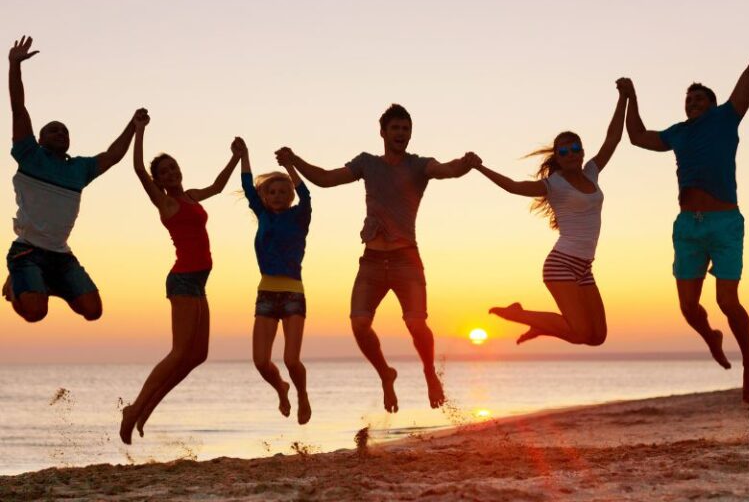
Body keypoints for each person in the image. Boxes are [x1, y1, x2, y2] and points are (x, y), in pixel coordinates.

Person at [276, 103, 479, 413]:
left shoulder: (419, 165)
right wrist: (295, 161)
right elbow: (327, 179)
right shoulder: (367, 164)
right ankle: (386, 374)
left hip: (405, 260)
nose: (401, 134)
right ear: (382, 132)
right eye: (395, 128)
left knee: (416, 324)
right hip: (371, 261)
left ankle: (428, 372)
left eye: (406, 129)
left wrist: (464, 164)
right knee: (359, 324)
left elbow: (447, 169)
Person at [624, 35, 749, 403]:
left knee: (727, 301)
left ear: (712, 103)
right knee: (688, 307)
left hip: (724, 224)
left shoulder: (727, 117)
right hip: (688, 227)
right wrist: (630, 97)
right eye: (688, 99)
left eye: (698, 97)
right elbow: (638, 137)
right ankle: (711, 337)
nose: (692, 102)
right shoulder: (678, 133)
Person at [119, 111, 242, 444]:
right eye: (164, 171)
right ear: (160, 180)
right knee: (179, 352)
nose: (170, 173)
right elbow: (138, 170)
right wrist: (139, 129)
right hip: (183, 280)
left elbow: (217, 186)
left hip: (198, 283)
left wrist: (236, 157)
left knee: (198, 355)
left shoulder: (191, 196)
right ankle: (133, 411)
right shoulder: (166, 202)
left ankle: (146, 409)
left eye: (173, 167)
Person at [475, 82, 628, 346]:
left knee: (597, 337)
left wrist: (624, 97)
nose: (570, 154)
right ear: (557, 157)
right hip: (561, 264)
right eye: (564, 151)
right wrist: (480, 167)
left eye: (575, 149)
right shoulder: (554, 184)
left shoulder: (591, 171)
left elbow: (612, 139)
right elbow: (514, 187)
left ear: (582, 152)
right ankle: (519, 314)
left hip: (584, 267)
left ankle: (542, 327)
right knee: (580, 333)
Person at [5, 36, 141, 323]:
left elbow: (113, 155)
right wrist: (14, 65)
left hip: (60, 255)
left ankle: (40, 283)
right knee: (35, 313)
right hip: (27, 250)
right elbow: (18, 108)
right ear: (40, 139)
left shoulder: (79, 169)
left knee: (93, 312)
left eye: (65, 131)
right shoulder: (30, 155)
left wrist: (133, 125)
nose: (60, 133)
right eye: (53, 130)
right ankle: (20, 281)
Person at [238, 139, 312, 424]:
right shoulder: (263, 215)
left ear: (290, 195)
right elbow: (247, 187)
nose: (279, 195)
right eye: (273, 191)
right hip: (266, 293)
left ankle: (302, 395)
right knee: (260, 362)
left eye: (284, 191)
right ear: (266, 197)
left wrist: (290, 166)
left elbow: (306, 194)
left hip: (293, 293)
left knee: (292, 360)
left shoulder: (300, 216)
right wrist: (244, 155)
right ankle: (282, 389)